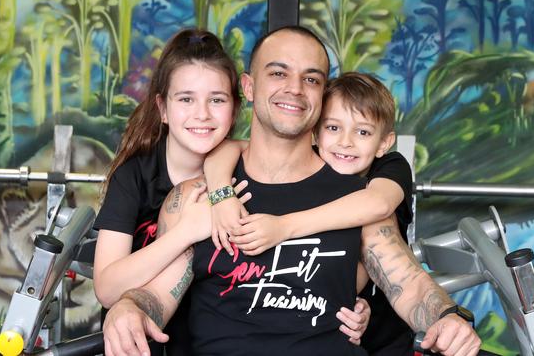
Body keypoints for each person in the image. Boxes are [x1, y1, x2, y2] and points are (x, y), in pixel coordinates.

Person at [102, 26, 481, 356]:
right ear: (248, 87)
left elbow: (409, 283)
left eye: (312, 79)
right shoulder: (199, 196)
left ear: (322, 94)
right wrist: (128, 308)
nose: (295, 89)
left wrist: (448, 317)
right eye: (278, 73)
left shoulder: (358, 201)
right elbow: (156, 294)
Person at [93, 28, 367, 355]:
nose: (202, 114)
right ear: (163, 108)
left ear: (236, 106)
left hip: (209, 331)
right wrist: (188, 231)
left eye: (217, 100)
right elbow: (107, 288)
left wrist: (352, 301)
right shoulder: (136, 176)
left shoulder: (241, 167)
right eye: (186, 99)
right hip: (146, 331)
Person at [203, 71, 416, 354]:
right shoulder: (310, 164)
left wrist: (283, 227)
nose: (346, 142)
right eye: (333, 128)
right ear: (315, 131)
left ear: (384, 143)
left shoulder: (389, 167)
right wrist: (221, 193)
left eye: (363, 132)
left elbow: (375, 206)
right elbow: (231, 147)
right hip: (331, 322)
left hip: (384, 332)